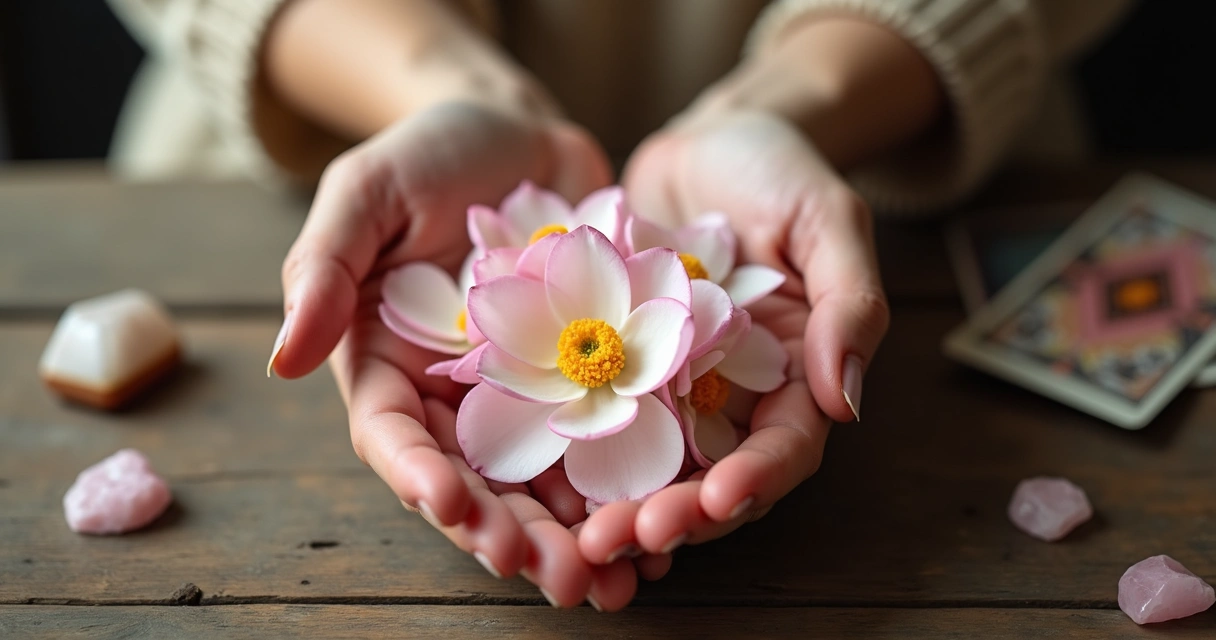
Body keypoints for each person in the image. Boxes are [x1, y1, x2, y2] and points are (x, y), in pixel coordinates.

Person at [106, 0, 1133, 610]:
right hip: (316, 86)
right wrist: (428, 81)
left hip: (911, 130)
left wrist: (800, 101)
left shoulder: (650, 325)